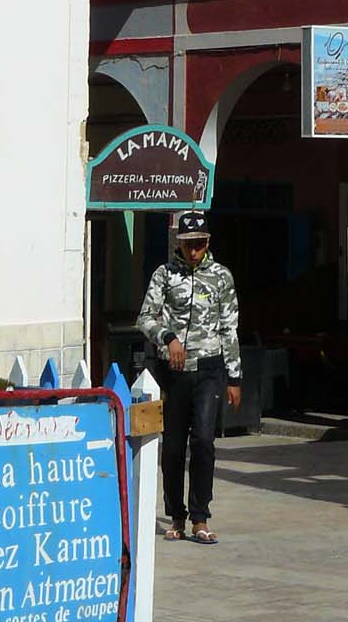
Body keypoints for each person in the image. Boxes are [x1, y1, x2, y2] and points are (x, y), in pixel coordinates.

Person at [137, 209, 241, 544]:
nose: (192, 251)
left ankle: (200, 516)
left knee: (204, 442)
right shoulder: (165, 275)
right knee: (174, 446)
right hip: (175, 372)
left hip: (209, 369)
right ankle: (176, 515)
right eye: (187, 244)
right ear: (179, 244)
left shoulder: (221, 277)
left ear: (207, 242)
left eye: (198, 244)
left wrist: (235, 377)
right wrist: (167, 337)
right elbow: (145, 317)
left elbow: (230, 328)